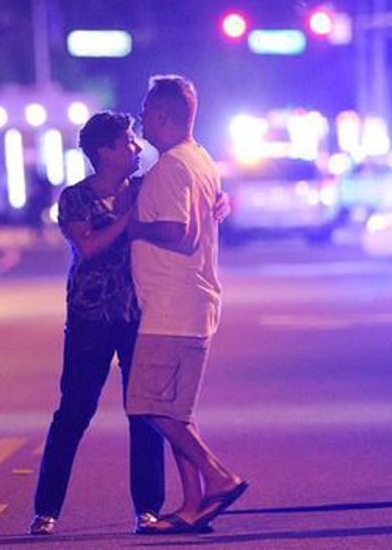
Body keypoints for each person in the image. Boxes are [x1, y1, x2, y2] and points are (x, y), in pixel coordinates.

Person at [29, 111, 165, 536]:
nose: (136, 148)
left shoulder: (145, 187)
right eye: (127, 142)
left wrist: (219, 203)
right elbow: (88, 246)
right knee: (74, 411)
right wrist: (128, 217)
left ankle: (148, 508)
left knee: (143, 411)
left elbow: (186, 203)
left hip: (138, 313)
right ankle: (46, 510)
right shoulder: (75, 198)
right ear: (105, 152)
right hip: (90, 316)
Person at [126, 75, 248, 535]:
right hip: (188, 303)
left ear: (161, 115)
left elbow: (180, 232)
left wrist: (133, 228)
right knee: (176, 411)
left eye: (144, 112)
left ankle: (218, 477)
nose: (141, 120)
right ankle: (193, 505)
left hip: (172, 307)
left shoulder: (173, 166)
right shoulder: (200, 160)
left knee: (147, 405)